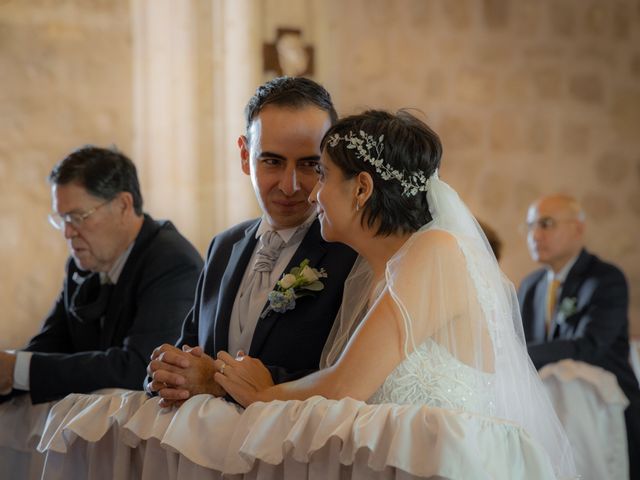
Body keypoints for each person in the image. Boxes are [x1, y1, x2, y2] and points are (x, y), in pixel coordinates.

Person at [213, 110, 575, 478]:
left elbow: (345, 386)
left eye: (322, 175)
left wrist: (261, 395)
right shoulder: (377, 274)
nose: (313, 193)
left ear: (362, 189)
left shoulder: (436, 252)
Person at [146, 77, 358, 407]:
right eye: (272, 161)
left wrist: (216, 381)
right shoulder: (223, 246)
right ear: (245, 156)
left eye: (309, 165)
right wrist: (167, 372)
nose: (289, 186)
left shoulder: (351, 253)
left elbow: (349, 381)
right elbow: (190, 347)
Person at [0, 146, 203, 404]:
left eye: (77, 217)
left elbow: (140, 366)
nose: (68, 232)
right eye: (62, 219)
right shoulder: (83, 263)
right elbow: (50, 344)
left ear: (122, 205)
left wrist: (17, 370)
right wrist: (8, 372)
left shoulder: (172, 262)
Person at [518, 193, 640, 478]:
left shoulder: (605, 279)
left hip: (605, 411)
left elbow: (590, 345)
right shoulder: (531, 286)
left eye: (546, 224)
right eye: (530, 226)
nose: (535, 235)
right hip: (548, 412)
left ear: (578, 228)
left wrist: (518, 355)